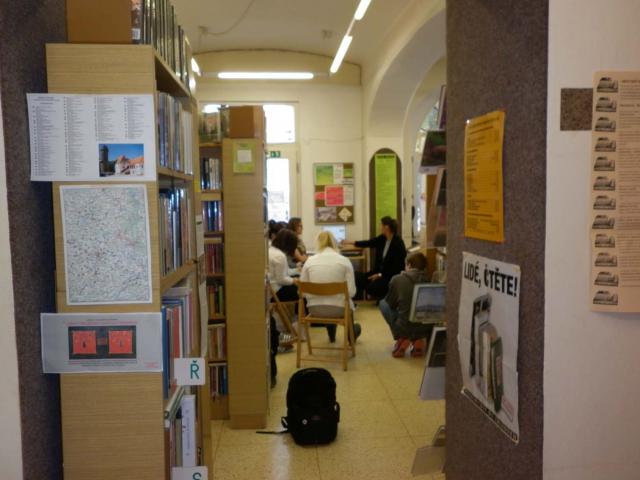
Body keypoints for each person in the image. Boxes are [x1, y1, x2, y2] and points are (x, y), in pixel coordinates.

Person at [300, 231, 361, 343]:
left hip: (315, 309)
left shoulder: (309, 261)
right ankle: (351, 334)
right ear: (334, 243)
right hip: (339, 309)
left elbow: (302, 292)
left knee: (329, 301)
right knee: (347, 303)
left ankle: (332, 333)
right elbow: (352, 292)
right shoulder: (344, 261)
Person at [378, 252, 434, 357]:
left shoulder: (397, 279)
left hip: (404, 328)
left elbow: (391, 304)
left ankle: (403, 338)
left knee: (383, 303)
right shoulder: (429, 280)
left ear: (409, 265)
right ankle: (418, 340)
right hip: (425, 329)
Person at [344, 216, 407, 300]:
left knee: (371, 287)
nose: (379, 227)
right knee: (356, 277)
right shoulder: (382, 238)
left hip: (389, 276)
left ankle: (385, 298)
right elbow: (369, 243)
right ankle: (356, 300)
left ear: (386, 227)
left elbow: (397, 268)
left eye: (381, 225)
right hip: (378, 272)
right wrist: (351, 242)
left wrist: (380, 275)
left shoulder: (398, 243)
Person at [268, 228, 300, 386]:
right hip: (277, 291)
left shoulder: (270, 250)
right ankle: (299, 324)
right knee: (302, 292)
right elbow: (282, 279)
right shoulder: (280, 256)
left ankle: (295, 324)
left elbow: (283, 273)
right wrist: (296, 280)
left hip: (271, 289)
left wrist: (295, 271)